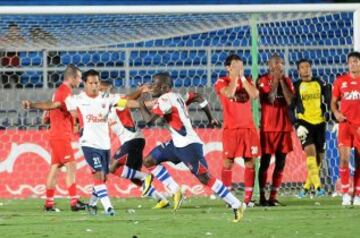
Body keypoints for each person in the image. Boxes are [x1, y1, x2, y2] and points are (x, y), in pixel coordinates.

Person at [138, 72, 245, 222]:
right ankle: (176, 190)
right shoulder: (178, 96)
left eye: (154, 84)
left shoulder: (165, 98)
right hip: (177, 144)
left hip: (188, 146)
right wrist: (211, 117)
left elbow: (148, 121)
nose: (151, 87)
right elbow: (197, 96)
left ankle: (236, 204)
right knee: (149, 161)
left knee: (205, 178)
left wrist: (141, 100)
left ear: (164, 87)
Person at [21, 64, 87, 212]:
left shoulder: (60, 91)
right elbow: (53, 105)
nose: (80, 81)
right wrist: (32, 104)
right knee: (71, 165)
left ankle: (49, 204)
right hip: (60, 135)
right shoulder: (64, 92)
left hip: (57, 134)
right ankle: (74, 202)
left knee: (55, 168)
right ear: (72, 78)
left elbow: (50, 113)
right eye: (79, 78)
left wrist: (72, 121)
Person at [97, 79, 170, 210]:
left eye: (101, 88)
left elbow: (129, 98)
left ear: (107, 89)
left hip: (133, 139)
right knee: (134, 177)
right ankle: (161, 200)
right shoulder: (104, 107)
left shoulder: (117, 99)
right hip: (133, 140)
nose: (98, 90)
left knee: (112, 166)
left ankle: (146, 176)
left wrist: (141, 90)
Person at [214, 54, 260, 206]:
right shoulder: (222, 81)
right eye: (236, 66)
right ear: (228, 68)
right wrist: (235, 78)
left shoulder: (247, 81)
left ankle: (247, 200)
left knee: (250, 163)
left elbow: (254, 95)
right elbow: (229, 93)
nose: (240, 69)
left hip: (248, 128)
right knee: (227, 163)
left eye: (241, 66)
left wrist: (243, 79)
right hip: (231, 129)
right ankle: (229, 199)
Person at [289, 59, 331, 198]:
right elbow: (290, 109)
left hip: (320, 124)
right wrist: (296, 125)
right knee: (310, 153)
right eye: (302, 67)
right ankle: (319, 188)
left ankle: (306, 188)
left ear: (311, 68)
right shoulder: (296, 86)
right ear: (298, 71)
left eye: (307, 66)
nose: (305, 69)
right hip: (304, 124)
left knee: (319, 158)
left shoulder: (320, 83)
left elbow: (329, 102)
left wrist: (332, 117)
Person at [257, 54, 294, 206]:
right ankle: (262, 196)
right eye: (275, 63)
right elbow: (271, 98)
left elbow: (290, 101)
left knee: (281, 163)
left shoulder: (287, 81)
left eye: (280, 63)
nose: (278, 66)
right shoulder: (262, 80)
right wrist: (276, 81)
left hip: (284, 128)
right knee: (265, 163)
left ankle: (273, 197)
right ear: (269, 65)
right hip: (268, 128)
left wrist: (281, 81)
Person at [331, 51, 360, 206]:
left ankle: (358, 194)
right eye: (351, 62)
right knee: (343, 159)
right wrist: (336, 112)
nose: (353, 64)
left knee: (359, 161)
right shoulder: (340, 81)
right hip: (345, 125)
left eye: (356, 61)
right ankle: (345, 193)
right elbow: (333, 101)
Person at [0, 23, 26, 88]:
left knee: (19, 85)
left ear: (18, 30)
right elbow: (2, 44)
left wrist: (14, 41)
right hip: (5, 66)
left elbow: (22, 43)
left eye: (15, 30)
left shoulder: (20, 39)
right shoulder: (4, 38)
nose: (13, 31)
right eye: (11, 30)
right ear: (8, 31)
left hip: (16, 66)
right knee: (6, 86)